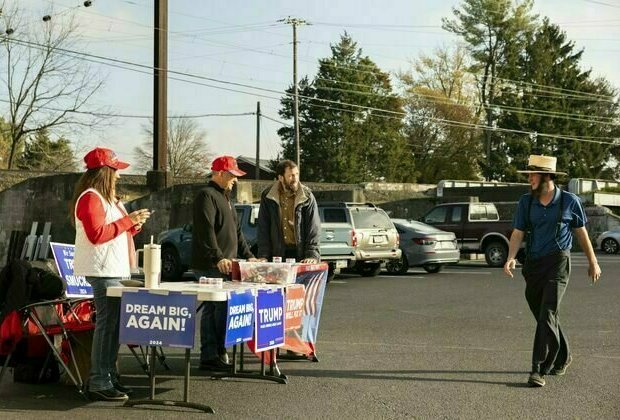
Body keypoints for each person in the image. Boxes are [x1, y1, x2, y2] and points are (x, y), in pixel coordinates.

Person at [504, 154, 601, 388]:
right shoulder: (526, 202)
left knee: (547, 314)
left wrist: (593, 261)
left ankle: (539, 368)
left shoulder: (569, 201)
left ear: (547, 176)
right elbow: (518, 233)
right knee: (545, 316)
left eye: (533, 175)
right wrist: (510, 258)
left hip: (558, 263)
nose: (529, 179)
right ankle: (564, 355)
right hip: (534, 266)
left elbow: (581, 233)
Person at [71, 147, 151, 401]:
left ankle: (107, 377)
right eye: (115, 170)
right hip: (103, 270)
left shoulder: (106, 199)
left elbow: (111, 232)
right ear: (105, 171)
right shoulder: (91, 197)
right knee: (108, 325)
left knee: (113, 325)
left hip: (112, 269)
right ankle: (99, 379)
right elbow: (96, 235)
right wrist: (128, 222)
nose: (118, 175)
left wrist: (132, 227)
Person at [191, 155, 256, 371]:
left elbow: (237, 233)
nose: (235, 180)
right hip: (211, 265)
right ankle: (210, 355)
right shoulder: (205, 196)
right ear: (219, 173)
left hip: (227, 265)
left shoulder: (226, 198)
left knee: (222, 310)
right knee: (213, 310)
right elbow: (205, 231)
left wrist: (250, 256)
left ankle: (219, 351)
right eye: (231, 176)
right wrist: (218, 257)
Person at [257, 159, 321, 264]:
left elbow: (313, 228)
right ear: (281, 178)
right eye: (291, 175)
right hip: (277, 255)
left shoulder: (307, 196)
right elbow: (263, 227)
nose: (295, 179)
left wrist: (312, 255)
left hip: (301, 255)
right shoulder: (268, 195)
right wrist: (263, 255)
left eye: (297, 174)